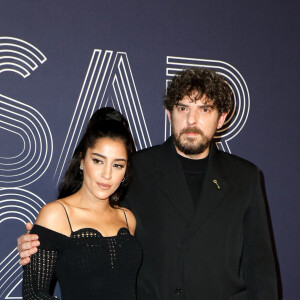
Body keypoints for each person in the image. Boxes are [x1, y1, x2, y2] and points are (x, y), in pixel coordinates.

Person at [18, 68, 278, 300]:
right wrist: (42, 244)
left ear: (221, 119)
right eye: (183, 108)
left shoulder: (245, 177)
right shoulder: (134, 168)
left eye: (205, 109)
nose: (192, 120)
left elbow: (260, 270)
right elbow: (92, 224)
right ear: (169, 114)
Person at [21, 107, 142, 300]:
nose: (107, 175)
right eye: (98, 161)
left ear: (125, 172)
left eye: (117, 165)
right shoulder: (56, 214)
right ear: (82, 161)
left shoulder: (127, 218)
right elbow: (34, 294)